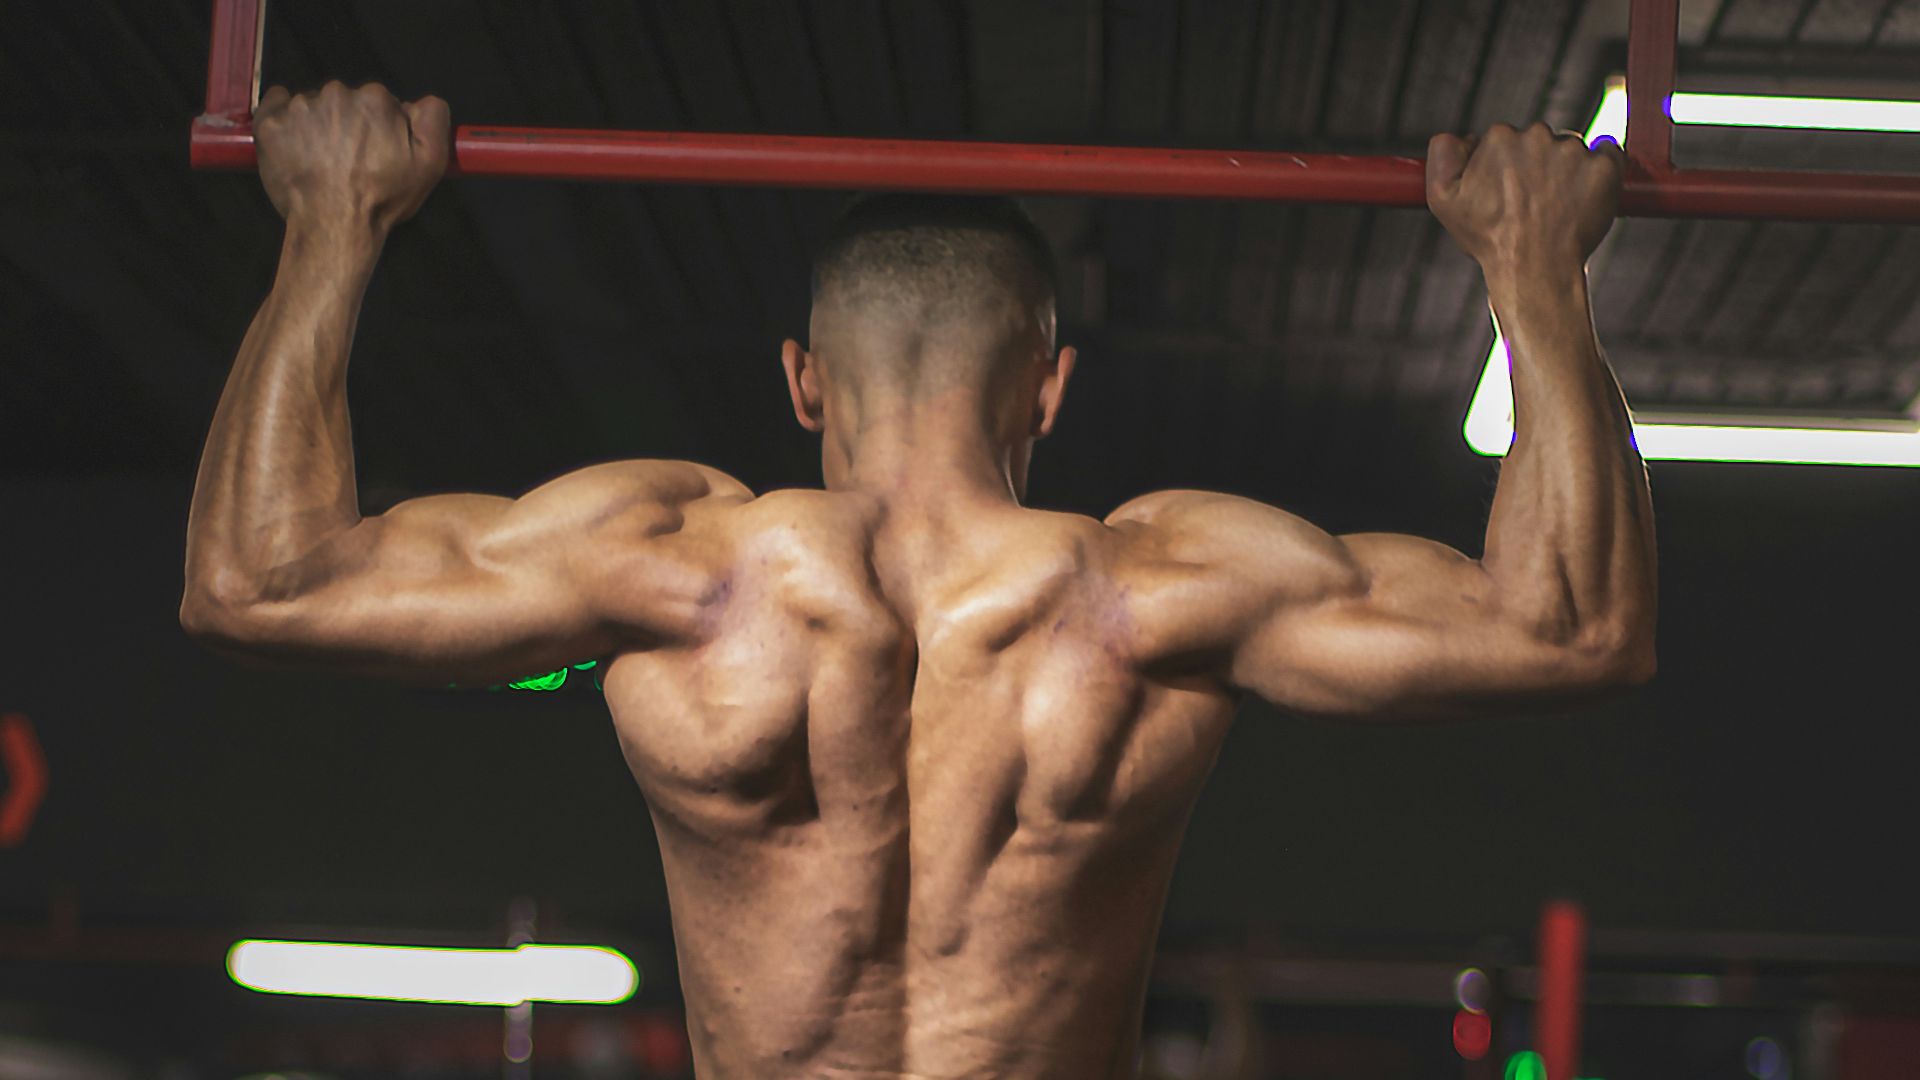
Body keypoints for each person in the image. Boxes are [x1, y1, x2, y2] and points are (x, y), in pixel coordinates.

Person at [181, 81, 1656, 1078]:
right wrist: (1534, 274)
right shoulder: (1160, 592)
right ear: (1052, 387)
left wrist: (333, 226)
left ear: (803, 380)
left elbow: (256, 582)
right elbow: (1574, 627)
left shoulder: (677, 570)